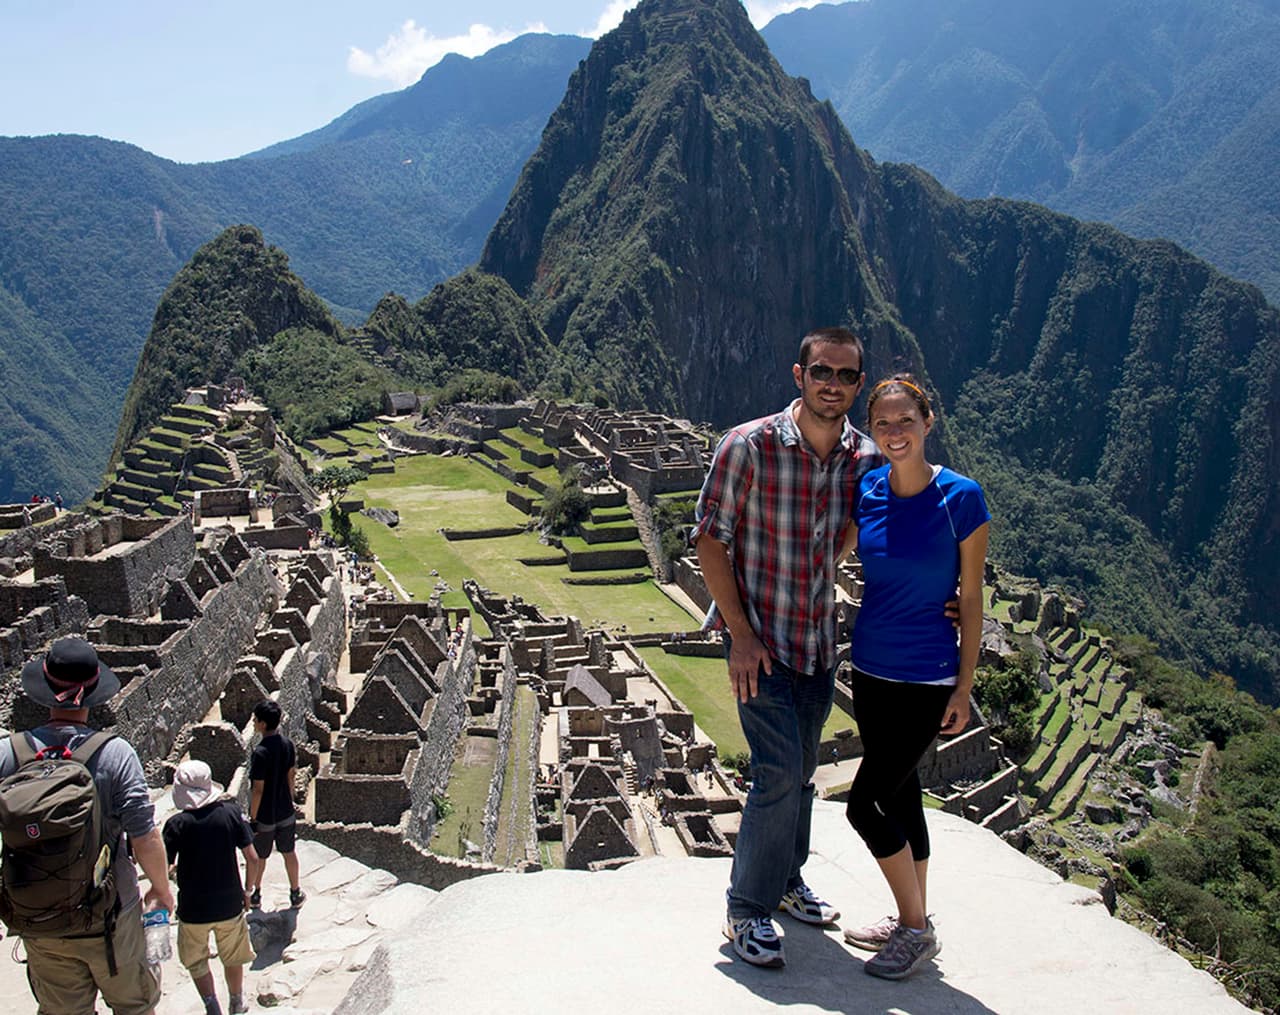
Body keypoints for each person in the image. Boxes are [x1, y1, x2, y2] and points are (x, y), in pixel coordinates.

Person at [692, 326, 879, 968]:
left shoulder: (863, 458)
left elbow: (858, 531)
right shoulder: (749, 446)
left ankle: (788, 880)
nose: (833, 385)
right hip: (761, 643)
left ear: (858, 384)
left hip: (818, 642)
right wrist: (740, 636)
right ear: (799, 375)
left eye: (846, 375)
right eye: (821, 371)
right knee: (775, 772)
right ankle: (747, 908)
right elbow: (709, 541)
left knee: (800, 773)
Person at [839, 374, 990, 980]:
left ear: (929, 422)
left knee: (864, 804)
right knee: (901, 795)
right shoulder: (870, 489)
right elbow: (833, 553)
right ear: (871, 431)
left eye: (906, 420)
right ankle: (912, 918)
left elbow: (971, 598)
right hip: (870, 667)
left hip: (928, 675)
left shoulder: (962, 498)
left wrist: (964, 685)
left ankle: (916, 929)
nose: (895, 432)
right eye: (883, 423)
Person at [0, 637, 173, 1014]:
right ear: (94, 694)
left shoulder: (8, 754)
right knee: (134, 1006)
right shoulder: (114, 754)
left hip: (39, 917)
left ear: (43, 692)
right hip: (110, 915)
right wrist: (161, 889)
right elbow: (144, 835)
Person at [164, 760, 257, 1015]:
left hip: (193, 908)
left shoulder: (176, 825)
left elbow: (164, 866)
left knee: (196, 960)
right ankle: (236, 1001)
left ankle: (211, 1005)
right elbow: (252, 858)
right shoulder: (230, 814)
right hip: (229, 902)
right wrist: (248, 891)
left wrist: (172, 877)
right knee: (233, 956)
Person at [244, 700, 304, 909]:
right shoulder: (287, 745)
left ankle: (255, 893)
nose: (253, 723)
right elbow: (291, 775)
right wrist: (290, 800)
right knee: (289, 852)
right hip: (285, 810)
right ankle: (295, 892)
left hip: (266, 815)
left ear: (263, 724)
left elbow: (258, 789)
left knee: (260, 856)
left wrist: (253, 817)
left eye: (255, 720)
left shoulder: (260, 753)